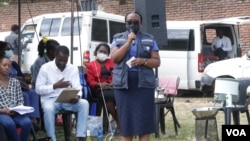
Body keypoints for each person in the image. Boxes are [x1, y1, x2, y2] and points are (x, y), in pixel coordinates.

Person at [110, 11, 161, 141]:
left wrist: (143, 61)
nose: (133, 24)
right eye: (130, 22)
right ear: (126, 24)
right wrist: (128, 42)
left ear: (141, 23)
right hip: (124, 86)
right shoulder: (118, 38)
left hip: (143, 86)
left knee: (144, 121)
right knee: (126, 120)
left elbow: (157, 61)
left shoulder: (149, 39)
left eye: (136, 22)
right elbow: (114, 58)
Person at [35, 45, 89, 141]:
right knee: (48, 108)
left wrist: (77, 96)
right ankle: (51, 138)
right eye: (60, 60)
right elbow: (38, 89)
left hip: (67, 100)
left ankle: (80, 137)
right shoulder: (45, 68)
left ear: (68, 57)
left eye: (65, 60)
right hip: (50, 100)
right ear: (55, 55)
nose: (62, 63)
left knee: (84, 103)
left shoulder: (72, 68)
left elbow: (78, 87)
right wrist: (54, 86)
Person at [0, 41, 40, 128]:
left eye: (10, 49)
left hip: (18, 86)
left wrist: (23, 82)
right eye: (7, 49)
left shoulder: (13, 64)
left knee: (32, 93)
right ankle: (27, 117)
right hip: (9, 90)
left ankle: (34, 118)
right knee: (25, 96)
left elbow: (22, 77)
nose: (10, 51)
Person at [86, 43, 120, 134]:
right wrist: (100, 85)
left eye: (105, 52)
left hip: (113, 88)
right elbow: (90, 81)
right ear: (96, 52)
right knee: (109, 97)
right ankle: (120, 123)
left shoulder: (112, 62)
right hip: (100, 90)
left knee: (111, 99)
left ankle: (119, 124)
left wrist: (113, 83)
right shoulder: (91, 65)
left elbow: (117, 75)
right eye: (101, 51)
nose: (103, 53)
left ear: (108, 54)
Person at [0, 54, 32, 141]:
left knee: (27, 122)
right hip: (2, 113)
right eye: (4, 65)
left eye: (9, 66)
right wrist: (4, 111)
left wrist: (17, 109)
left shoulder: (15, 82)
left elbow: (20, 100)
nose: (7, 67)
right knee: (9, 123)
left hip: (15, 112)